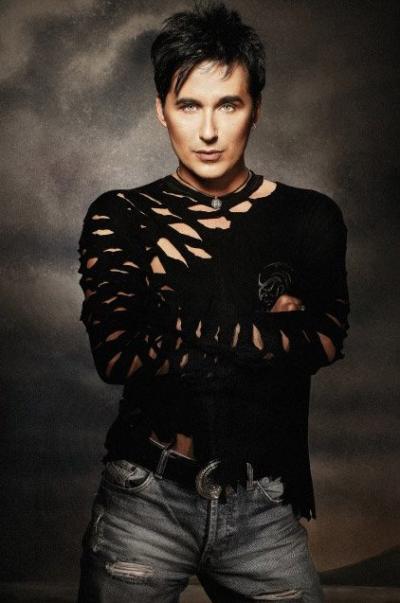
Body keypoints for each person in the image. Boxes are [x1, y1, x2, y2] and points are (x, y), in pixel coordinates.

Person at [76, 1, 350, 601]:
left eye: (228, 104)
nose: (207, 131)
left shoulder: (309, 216)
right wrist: (262, 331)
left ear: (255, 108)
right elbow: (117, 356)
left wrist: (172, 323)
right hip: (146, 499)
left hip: (262, 504)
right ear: (161, 110)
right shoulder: (122, 215)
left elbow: (324, 341)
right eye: (188, 106)